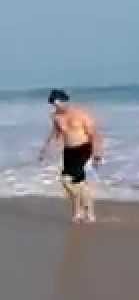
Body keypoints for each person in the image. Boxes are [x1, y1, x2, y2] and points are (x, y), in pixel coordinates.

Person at [38, 90, 104, 223]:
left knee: (69, 180)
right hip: (68, 151)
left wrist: (97, 154)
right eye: (54, 105)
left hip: (83, 148)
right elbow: (55, 133)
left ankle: (84, 212)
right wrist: (45, 149)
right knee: (76, 183)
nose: (56, 107)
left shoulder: (81, 114)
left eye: (58, 104)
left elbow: (95, 135)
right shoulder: (55, 116)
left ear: (65, 100)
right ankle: (84, 213)